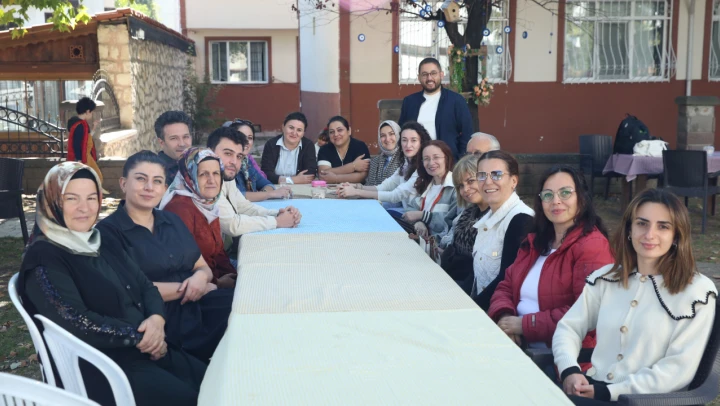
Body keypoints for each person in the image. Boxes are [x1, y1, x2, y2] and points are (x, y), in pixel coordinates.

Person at [19, 162, 206, 406]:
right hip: (101, 366)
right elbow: (77, 322)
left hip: (144, 349)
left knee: (216, 381)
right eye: (71, 198)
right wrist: (141, 338)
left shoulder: (101, 240)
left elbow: (145, 286)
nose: (84, 208)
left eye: (91, 198)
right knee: (194, 399)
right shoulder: (44, 257)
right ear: (52, 201)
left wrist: (157, 320)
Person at [553, 189, 717, 405]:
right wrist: (569, 370)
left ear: (676, 235)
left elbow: (678, 369)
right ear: (629, 229)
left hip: (649, 401)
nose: (649, 234)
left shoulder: (697, 292)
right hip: (593, 390)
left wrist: (610, 392)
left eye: (663, 226)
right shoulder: (606, 278)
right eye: (642, 223)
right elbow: (569, 328)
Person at [97, 151, 233, 363]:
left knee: (247, 307)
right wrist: (190, 289)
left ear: (164, 187)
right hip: (160, 319)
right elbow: (128, 291)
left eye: (157, 181)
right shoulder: (108, 233)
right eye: (141, 179)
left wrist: (200, 279)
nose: (149, 187)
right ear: (123, 184)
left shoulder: (172, 221)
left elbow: (202, 267)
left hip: (198, 305)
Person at [488, 166, 613, 352]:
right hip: (518, 344)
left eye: (565, 193)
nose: (556, 201)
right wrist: (505, 317)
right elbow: (506, 285)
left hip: (562, 356)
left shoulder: (592, 246)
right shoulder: (536, 241)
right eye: (548, 195)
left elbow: (589, 312)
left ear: (582, 198)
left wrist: (524, 325)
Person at [159, 148, 237, 286]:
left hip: (216, 276)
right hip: (197, 287)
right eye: (203, 174)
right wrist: (219, 283)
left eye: (216, 173)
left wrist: (233, 276)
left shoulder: (208, 203)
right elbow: (182, 265)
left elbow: (219, 252)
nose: (212, 180)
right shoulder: (179, 209)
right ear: (189, 176)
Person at [207, 127, 299, 240]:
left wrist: (278, 214)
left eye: (239, 156)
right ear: (209, 152)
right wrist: (276, 221)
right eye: (228, 153)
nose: (234, 162)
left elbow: (243, 207)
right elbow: (232, 225)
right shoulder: (206, 182)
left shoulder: (226, 176)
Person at [472, 150, 534, 311]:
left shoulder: (521, 220)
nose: (488, 182)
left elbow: (507, 280)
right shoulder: (487, 218)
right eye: (482, 175)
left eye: (497, 174)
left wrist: (471, 309)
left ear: (514, 181)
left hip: (502, 314)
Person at [336, 121, 431, 213]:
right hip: (405, 212)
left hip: (417, 217)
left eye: (413, 140)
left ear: (421, 142)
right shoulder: (406, 164)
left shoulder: (423, 167)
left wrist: (356, 192)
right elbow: (383, 187)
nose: (408, 145)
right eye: (404, 140)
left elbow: (395, 196)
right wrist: (355, 186)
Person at [398, 57, 474, 160]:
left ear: (441, 75)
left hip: (447, 161)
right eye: (424, 74)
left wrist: (460, 159)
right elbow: (402, 130)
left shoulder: (456, 101)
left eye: (433, 73)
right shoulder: (410, 102)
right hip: (416, 161)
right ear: (419, 77)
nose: (429, 78)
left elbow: (467, 132)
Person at [437, 154, 490, 294]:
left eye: (471, 181)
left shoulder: (494, 217)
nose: (465, 189)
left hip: (470, 289)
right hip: (448, 276)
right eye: (461, 185)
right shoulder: (468, 211)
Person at [222, 120, 291, 201]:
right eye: (241, 136)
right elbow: (234, 196)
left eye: (250, 138)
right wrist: (269, 194)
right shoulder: (226, 163)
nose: (246, 142)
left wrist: (263, 194)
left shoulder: (246, 162)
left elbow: (268, 184)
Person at [402, 140, 456, 241]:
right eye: (426, 159)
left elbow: (451, 221)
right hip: (421, 242)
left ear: (446, 158)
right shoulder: (426, 184)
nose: (431, 163)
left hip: (440, 245)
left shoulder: (456, 187)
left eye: (436, 157)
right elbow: (410, 209)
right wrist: (418, 222)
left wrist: (422, 216)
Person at [261, 112, 317, 185]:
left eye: (299, 130)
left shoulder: (308, 145)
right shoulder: (271, 144)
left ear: (303, 133)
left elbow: (309, 174)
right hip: (275, 187)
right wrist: (292, 180)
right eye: (291, 128)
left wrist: (279, 179)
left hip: (301, 187)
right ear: (283, 127)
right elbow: (266, 173)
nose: (294, 133)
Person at [317, 116, 372, 184]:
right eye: (331, 132)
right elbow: (323, 174)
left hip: (356, 189)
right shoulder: (324, 150)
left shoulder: (360, 146)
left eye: (340, 130)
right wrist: (353, 166)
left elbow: (362, 176)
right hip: (329, 189)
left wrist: (335, 178)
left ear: (349, 131)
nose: (336, 134)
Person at [67, 97, 103, 183]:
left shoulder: (81, 124)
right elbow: (77, 143)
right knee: (95, 178)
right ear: (87, 111)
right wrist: (79, 160)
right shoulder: (80, 125)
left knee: (95, 177)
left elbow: (87, 139)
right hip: (83, 158)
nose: (92, 114)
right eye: (92, 112)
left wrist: (93, 127)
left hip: (86, 156)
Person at [154, 111, 193, 184]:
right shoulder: (156, 172)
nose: (182, 144)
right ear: (161, 142)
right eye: (174, 138)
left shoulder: (198, 165)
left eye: (185, 137)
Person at [366, 120, 404, 186]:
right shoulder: (375, 161)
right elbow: (368, 185)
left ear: (398, 135)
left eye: (391, 134)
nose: (387, 139)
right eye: (383, 135)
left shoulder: (405, 160)